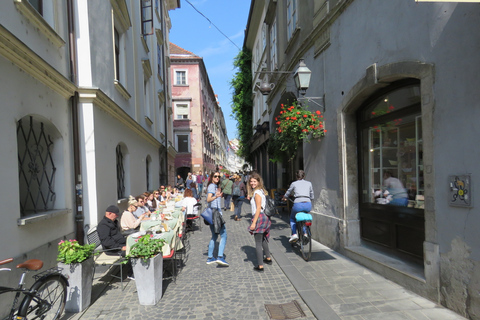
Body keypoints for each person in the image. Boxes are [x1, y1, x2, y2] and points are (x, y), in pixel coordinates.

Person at [247, 172, 272, 272]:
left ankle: (260, 266)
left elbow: (258, 208)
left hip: (260, 217)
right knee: (263, 239)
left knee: (258, 242)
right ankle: (268, 258)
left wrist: (254, 223)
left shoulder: (257, 193)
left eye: (254, 181)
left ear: (258, 182)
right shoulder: (261, 191)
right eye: (251, 181)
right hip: (265, 217)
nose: (252, 183)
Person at [283, 170, 314, 243]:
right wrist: (310, 200)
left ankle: (294, 234)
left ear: (296, 176)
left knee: (292, 218)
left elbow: (288, 192)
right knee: (304, 217)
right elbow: (312, 194)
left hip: (298, 204)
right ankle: (305, 233)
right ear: (304, 176)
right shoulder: (309, 183)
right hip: (308, 204)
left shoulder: (294, 183)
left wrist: (284, 197)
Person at [205, 170, 229, 266]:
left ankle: (210, 257)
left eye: (218, 176)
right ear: (211, 177)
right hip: (215, 213)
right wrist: (216, 196)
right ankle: (220, 257)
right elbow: (208, 199)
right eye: (215, 176)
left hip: (212, 213)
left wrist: (218, 196)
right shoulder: (211, 186)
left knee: (214, 236)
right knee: (224, 235)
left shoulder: (214, 186)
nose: (217, 178)